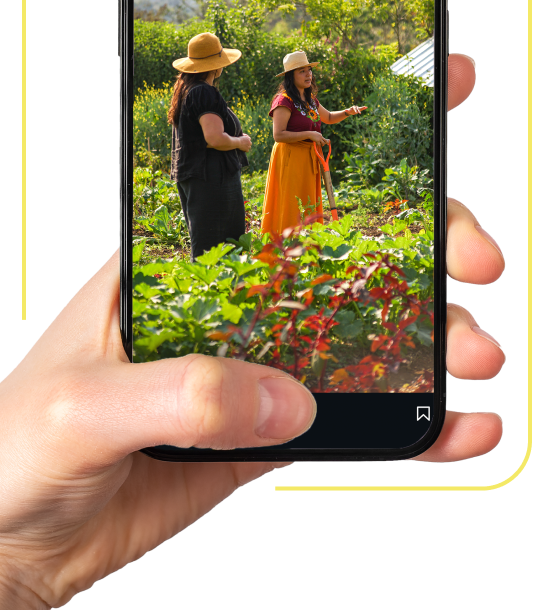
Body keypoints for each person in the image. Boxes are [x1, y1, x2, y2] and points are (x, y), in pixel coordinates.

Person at [1, 55, 505, 606]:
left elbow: (320, 118)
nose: (310, 77)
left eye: (313, 71)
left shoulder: (266, 97)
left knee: (268, 232)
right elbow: (268, 135)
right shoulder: (264, 102)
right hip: (273, 167)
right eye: (305, 72)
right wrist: (249, 143)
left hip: (272, 168)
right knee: (254, 231)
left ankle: (290, 271)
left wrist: (337, 115)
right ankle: (274, 273)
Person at [168, 32, 252, 261]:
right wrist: (240, 142)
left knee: (206, 243)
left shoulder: (187, 90)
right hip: (212, 178)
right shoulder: (204, 92)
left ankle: (209, 294)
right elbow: (214, 138)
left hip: (196, 176)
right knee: (218, 248)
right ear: (215, 66)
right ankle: (221, 294)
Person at [261, 51, 365, 235]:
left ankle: (307, 245)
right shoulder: (284, 100)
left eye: (309, 70)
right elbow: (278, 135)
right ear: (290, 76)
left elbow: (329, 117)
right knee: (292, 203)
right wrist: (310, 134)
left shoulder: (310, 101)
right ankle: (286, 245)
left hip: (309, 159)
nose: (308, 74)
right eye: (302, 71)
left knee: (308, 202)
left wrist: (348, 111)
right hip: (290, 158)